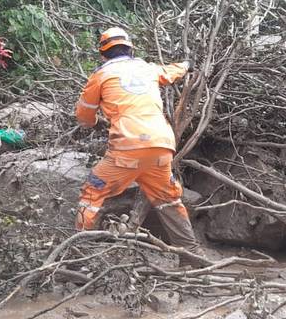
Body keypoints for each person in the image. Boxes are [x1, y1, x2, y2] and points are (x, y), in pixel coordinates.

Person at [74, 27, 204, 263]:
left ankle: (81, 259)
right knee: (168, 200)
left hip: (127, 148)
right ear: (131, 49)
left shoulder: (100, 76)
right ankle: (193, 259)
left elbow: (84, 118)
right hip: (162, 146)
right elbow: (172, 71)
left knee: (92, 192)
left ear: (103, 54)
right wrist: (188, 64)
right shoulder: (147, 68)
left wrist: (96, 118)